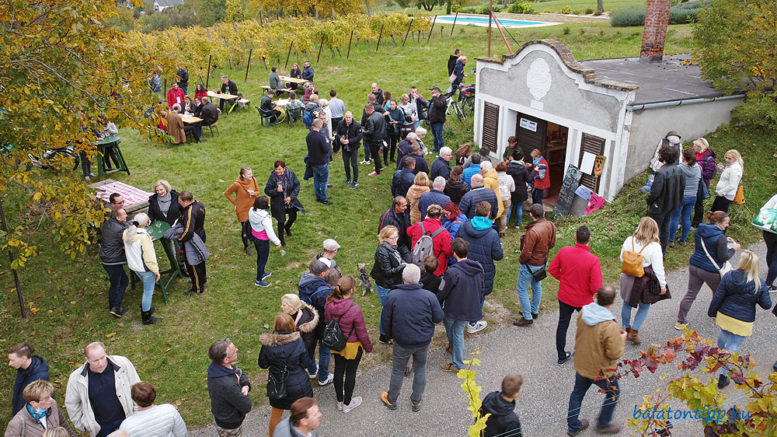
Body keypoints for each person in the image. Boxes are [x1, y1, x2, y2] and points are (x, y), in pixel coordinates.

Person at [380, 264, 444, 412]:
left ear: (403, 278)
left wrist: (390, 337)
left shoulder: (393, 296)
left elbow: (385, 320)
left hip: (402, 341)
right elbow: (439, 317)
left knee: (397, 370)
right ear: (419, 278)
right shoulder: (429, 296)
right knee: (420, 368)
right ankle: (416, 400)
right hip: (423, 341)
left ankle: (391, 400)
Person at [566, 285, 625, 436]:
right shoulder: (609, 325)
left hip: (581, 363)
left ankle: (573, 426)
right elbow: (614, 353)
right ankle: (603, 424)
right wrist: (621, 339)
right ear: (612, 302)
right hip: (600, 370)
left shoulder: (583, 312)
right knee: (614, 393)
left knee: (577, 393)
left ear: (596, 297)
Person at [708, 250, 772, 388]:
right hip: (743, 321)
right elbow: (767, 305)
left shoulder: (729, 276)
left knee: (723, 336)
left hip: (725, 316)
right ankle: (723, 376)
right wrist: (762, 293)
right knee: (732, 347)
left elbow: (718, 296)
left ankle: (720, 354)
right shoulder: (759, 283)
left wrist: (712, 312)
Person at [676, 211, 740, 330]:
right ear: (718, 222)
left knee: (690, 294)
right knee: (718, 293)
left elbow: (709, 240)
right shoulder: (720, 238)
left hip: (695, 265)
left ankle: (680, 321)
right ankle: (715, 315)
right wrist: (733, 249)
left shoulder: (700, 230)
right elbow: (723, 257)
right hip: (711, 271)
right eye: (726, 223)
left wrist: (725, 239)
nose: (727, 225)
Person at [549, 226, 603, 365]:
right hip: (584, 300)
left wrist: (564, 279)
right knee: (588, 326)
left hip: (565, 296)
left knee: (563, 324)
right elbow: (596, 287)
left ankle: (561, 356)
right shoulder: (593, 260)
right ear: (590, 239)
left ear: (575, 237)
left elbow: (552, 269)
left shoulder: (564, 251)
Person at [65, 342, 140, 437]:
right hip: (101, 427)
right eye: (95, 360)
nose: (100, 363)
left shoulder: (123, 363)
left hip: (127, 418)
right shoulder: (76, 378)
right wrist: (84, 426)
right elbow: (71, 404)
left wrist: (138, 413)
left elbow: (137, 387)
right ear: (87, 360)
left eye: (102, 357)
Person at [258, 313, 313, 437]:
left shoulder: (268, 344)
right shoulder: (298, 341)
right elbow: (306, 363)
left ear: (276, 326)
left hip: (278, 386)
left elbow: (262, 364)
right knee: (302, 416)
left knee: (276, 415)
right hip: (299, 385)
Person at [325, 275, 373, 413]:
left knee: (338, 371)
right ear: (351, 290)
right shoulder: (355, 309)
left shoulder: (329, 303)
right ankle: (347, 403)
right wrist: (368, 348)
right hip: (352, 346)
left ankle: (339, 401)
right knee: (350, 374)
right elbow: (362, 332)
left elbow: (328, 321)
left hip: (337, 343)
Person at [438, 238, 485, 371]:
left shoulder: (451, 272)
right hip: (469, 307)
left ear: (454, 253)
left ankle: (457, 362)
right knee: (458, 331)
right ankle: (454, 349)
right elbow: (482, 287)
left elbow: (442, 291)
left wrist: (437, 302)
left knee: (452, 329)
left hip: (453, 308)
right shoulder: (478, 267)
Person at [619, 217, 667, 345]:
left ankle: (626, 328)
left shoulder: (629, 240)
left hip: (627, 277)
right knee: (645, 305)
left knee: (626, 303)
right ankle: (634, 331)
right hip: (643, 280)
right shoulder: (655, 246)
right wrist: (663, 285)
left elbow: (621, 258)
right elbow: (658, 269)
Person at [457, 201, 503, 333]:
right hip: (482, 271)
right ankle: (472, 323)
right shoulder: (492, 234)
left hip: (464, 267)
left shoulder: (463, 227)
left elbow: (456, 244)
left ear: (475, 212)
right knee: (480, 296)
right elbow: (498, 255)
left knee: (464, 292)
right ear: (488, 214)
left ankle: (462, 316)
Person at [514, 204, 556, 326]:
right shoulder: (551, 225)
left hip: (530, 264)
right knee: (537, 285)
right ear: (544, 213)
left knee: (521, 289)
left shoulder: (532, 231)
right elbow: (552, 244)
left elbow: (526, 253)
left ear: (531, 215)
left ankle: (527, 316)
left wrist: (521, 260)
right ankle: (534, 311)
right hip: (543, 261)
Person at [297, 259, 334, 386]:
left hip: (307, 323)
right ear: (322, 274)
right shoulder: (324, 291)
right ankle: (324, 377)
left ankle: (312, 370)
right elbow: (329, 310)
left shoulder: (304, 282)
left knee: (310, 346)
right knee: (324, 350)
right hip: (321, 324)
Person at [207, 339, 252, 437]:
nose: (237, 350)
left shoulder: (217, 367)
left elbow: (238, 372)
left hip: (221, 415)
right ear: (226, 360)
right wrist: (244, 393)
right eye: (234, 350)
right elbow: (247, 406)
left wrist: (245, 384)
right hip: (230, 425)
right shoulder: (228, 385)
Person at [371, 225, 407, 343]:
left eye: (396, 237)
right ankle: (384, 335)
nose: (395, 240)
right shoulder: (382, 251)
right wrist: (402, 267)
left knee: (390, 310)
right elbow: (387, 272)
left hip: (392, 283)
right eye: (392, 238)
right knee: (386, 311)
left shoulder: (391, 246)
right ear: (384, 238)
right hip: (385, 285)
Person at [122, 213, 160, 325]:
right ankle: (146, 317)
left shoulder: (126, 232)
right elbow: (149, 258)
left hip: (134, 266)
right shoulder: (144, 237)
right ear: (147, 223)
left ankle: (145, 307)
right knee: (148, 292)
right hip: (145, 269)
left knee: (146, 289)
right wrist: (156, 271)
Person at [647, 145, 684, 253]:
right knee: (664, 229)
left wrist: (649, 202)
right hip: (671, 205)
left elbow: (655, 192)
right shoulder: (680, 170)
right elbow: (682, 188)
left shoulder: (661, 172)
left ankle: (652, 254)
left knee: (654, 230)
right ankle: (662, 253)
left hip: (659, 206)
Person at [6, 380, 76, 437]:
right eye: (46, 398)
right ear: (33, 403)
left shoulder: (52, 405)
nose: (51, 399)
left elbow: (64, 424)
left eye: (50, 396)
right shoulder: (17, 422)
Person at [118, 382, 187, 437]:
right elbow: (182, 433)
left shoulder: (126, 426)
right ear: (154, 395)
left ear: (134, 399)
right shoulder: (169, 410)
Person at [264, 160, 305, 246]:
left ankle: (287, 227)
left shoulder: (291, 174)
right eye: (276, 169)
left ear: (284, 168)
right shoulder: (273, 177)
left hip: (290, 202)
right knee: (281, 220)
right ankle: (281, 239)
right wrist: (276, 190)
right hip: (279, 203)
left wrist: (291, 197)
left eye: (279, 169)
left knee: (293, 217)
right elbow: (267, 190)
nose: (277, 171)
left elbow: (297, 185)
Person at [100, 208, 130, 318]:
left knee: (120, 281)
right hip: (113, 261)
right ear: (118, 217)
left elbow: (126, 225)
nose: (126, 216)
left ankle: (113, 306)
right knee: (119, 283)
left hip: (107, 259)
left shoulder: (109, 223)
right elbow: (127, 241)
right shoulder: (118, 230)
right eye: (124, 214)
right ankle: (115, 307)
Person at [668, 148, 701, 247]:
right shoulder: (699, 168)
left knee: (675, 217)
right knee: (686, 217)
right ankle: (683, 240)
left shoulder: (678, 168)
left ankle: (671, 240)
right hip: (692, 196)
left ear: (683, 157)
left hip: (680, 196)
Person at [408, 204, 453, 276]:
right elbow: (449, 252)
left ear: (427, 214)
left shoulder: (417, 226)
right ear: (440, 217)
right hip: (434, 269)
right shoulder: (444, 233)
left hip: (416, 264)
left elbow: (408, 232)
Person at [247, 196, 283, 287]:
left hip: (255, 237)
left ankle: (262, 273)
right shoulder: (265, 217)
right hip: (263, 241)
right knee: (262, 260)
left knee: (260, 256)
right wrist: (277, 242)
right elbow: (270, 233)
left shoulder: (251, 209)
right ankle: (258, 280)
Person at [224, 166, 259, 255]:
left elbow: (257, 191)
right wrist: (235, 203)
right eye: (249, 174)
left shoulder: (253, 180)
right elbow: (227, 193)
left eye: (251, 173)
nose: (251, 175)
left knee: (253, 225)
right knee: (244, 227)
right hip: (242, 209)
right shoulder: (237, 184)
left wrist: (254, 193)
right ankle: (246, 247)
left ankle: (252, 239)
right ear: (243, 175)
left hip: (252, 207)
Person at [8, 342, 50, 416]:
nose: (10, 364)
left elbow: (40, 406)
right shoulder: (22, 369)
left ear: (23, 358)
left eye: (13, 360)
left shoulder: (40, 377)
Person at [178, 191, 207, 295]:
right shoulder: (199, 204)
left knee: (193, 264)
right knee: (201, 260)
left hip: (193, 241)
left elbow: (188, 231)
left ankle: (197, 288)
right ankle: (202, 279)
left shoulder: (189, 212)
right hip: (201, 235)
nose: (179, 202)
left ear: (185, 201)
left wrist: (180, 239)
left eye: (180, 201)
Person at [692, 138, 716, 227]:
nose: (693, 147)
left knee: (699, 203)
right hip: (693, 182)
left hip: (701, 184)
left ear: (700, 147)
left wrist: (696, 171)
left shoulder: (709, 159)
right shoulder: (695, 154)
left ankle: (697, 223)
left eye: (695, 146)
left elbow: (709, 174)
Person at [755, 192, 777, 291]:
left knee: (770, 251)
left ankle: (771, 269)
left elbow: (763, 209)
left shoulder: (776, 197)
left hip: (768, 229)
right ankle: (768, 285)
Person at [307, 119, 332, 205]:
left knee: (316, 180)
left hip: (313, 162)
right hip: (321, 162)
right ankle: (323, 198)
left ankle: (318, 197)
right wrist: (328, 142)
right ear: (320, 126)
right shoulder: (321, 137)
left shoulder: (308, 136)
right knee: (324, 181)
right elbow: (326, 149)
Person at [336, 112, 363, 189]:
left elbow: (359, 136)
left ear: (352, 117)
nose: (347, 119)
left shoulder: (357, 125)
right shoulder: (341, 123)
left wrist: (349, 141)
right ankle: (348, 178)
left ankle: (355, 181)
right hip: (344, 148)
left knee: (354, 164)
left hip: (353, 148)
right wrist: (340, 138)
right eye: (346, 117)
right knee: (346, 164)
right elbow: (337, 132)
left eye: (349, 117)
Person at [711, 149, 744, 213]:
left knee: (719, 217)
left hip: (726, 195)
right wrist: (721, 170)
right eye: (726, 158)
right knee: (713, 213)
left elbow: (732, 185)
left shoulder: (735, 169)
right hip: (722, 194)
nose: (726, 160)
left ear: (735, 159)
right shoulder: (730, 166)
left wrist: (721, 192)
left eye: (729, 158)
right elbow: (728, 177)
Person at [506, 151, 530, 228]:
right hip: (521, 191)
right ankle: (517, 224)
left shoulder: (508, 166)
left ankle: (506, 224)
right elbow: (529, 179)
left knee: (510, 206)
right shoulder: (523, 169)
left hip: (510, 190)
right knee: (519, 206)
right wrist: (533, 172)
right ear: (522, 158)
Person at [362, 103, 385, 177]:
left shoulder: (370, 119)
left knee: (375, 155)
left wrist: (363, 131)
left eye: (365, 110)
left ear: (368, 110)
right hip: (381, 137)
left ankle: (377, 171)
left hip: (374, 139)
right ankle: (380, 166)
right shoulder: (380, 114)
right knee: (377, 154)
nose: (365, 112)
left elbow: (371, 131)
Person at [496, 161, 515, 236]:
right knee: (504, 216)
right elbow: (513, 189)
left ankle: (494, 229)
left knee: (495, 215)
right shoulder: (509, 177)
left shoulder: (495, 177)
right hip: (506, 198)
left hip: (497, 198)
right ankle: (502, 232)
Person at [384, 99, 403, 166]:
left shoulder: (398, 111)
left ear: (396, 105)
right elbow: (381, 119)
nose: (391, 106)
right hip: (387, 129)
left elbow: (402, 120)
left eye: (393, 104)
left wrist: (396, 122)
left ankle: (391, 158)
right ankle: (385, 160)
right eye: (391, 104)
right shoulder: (387, 110)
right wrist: (384, 114)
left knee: (394, 144)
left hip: (395, 129)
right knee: (386, 145)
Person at [428, 86, 447, 152]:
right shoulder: (434, 99)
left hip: (438, 121)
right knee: (435, 136)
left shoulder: (443, 99)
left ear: (437, 92)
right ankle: (435, 149)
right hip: (432, 121)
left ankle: (441, 151)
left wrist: (434, 97)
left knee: (439, 136)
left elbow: (439, 105)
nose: (432, 93)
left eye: (433, 92)